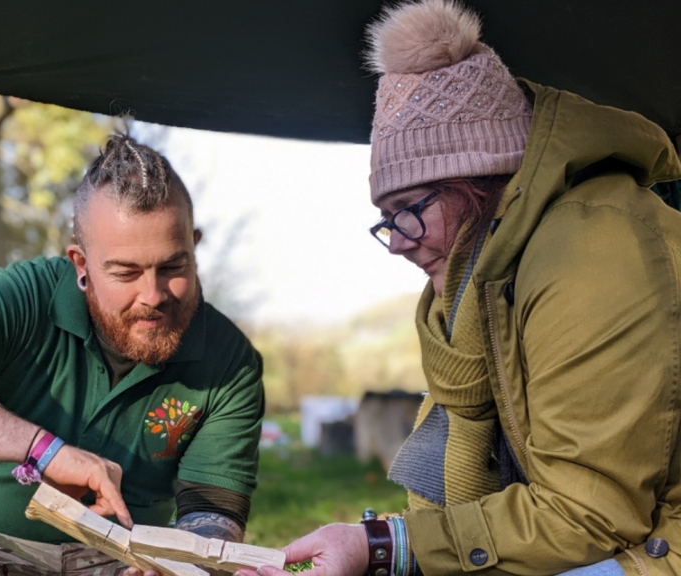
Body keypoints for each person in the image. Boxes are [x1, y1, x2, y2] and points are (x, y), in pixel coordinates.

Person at [239, 2, 681, 576]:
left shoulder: (593, 250)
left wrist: (388, 547)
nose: (397, 242)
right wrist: (391, 546)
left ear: (479, 180)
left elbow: (589, 512)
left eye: (409, 211)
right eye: (387, 219)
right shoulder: (484, 282)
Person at [0, 134, 265, 576]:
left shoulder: (231, 362)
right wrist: (41, 450)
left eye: (173, 267)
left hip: (122, 561)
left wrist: (176, 565)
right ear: (81, 264)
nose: (153, 295)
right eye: (126, 272)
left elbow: (213, 515)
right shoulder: (25, 296)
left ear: (194, 247)